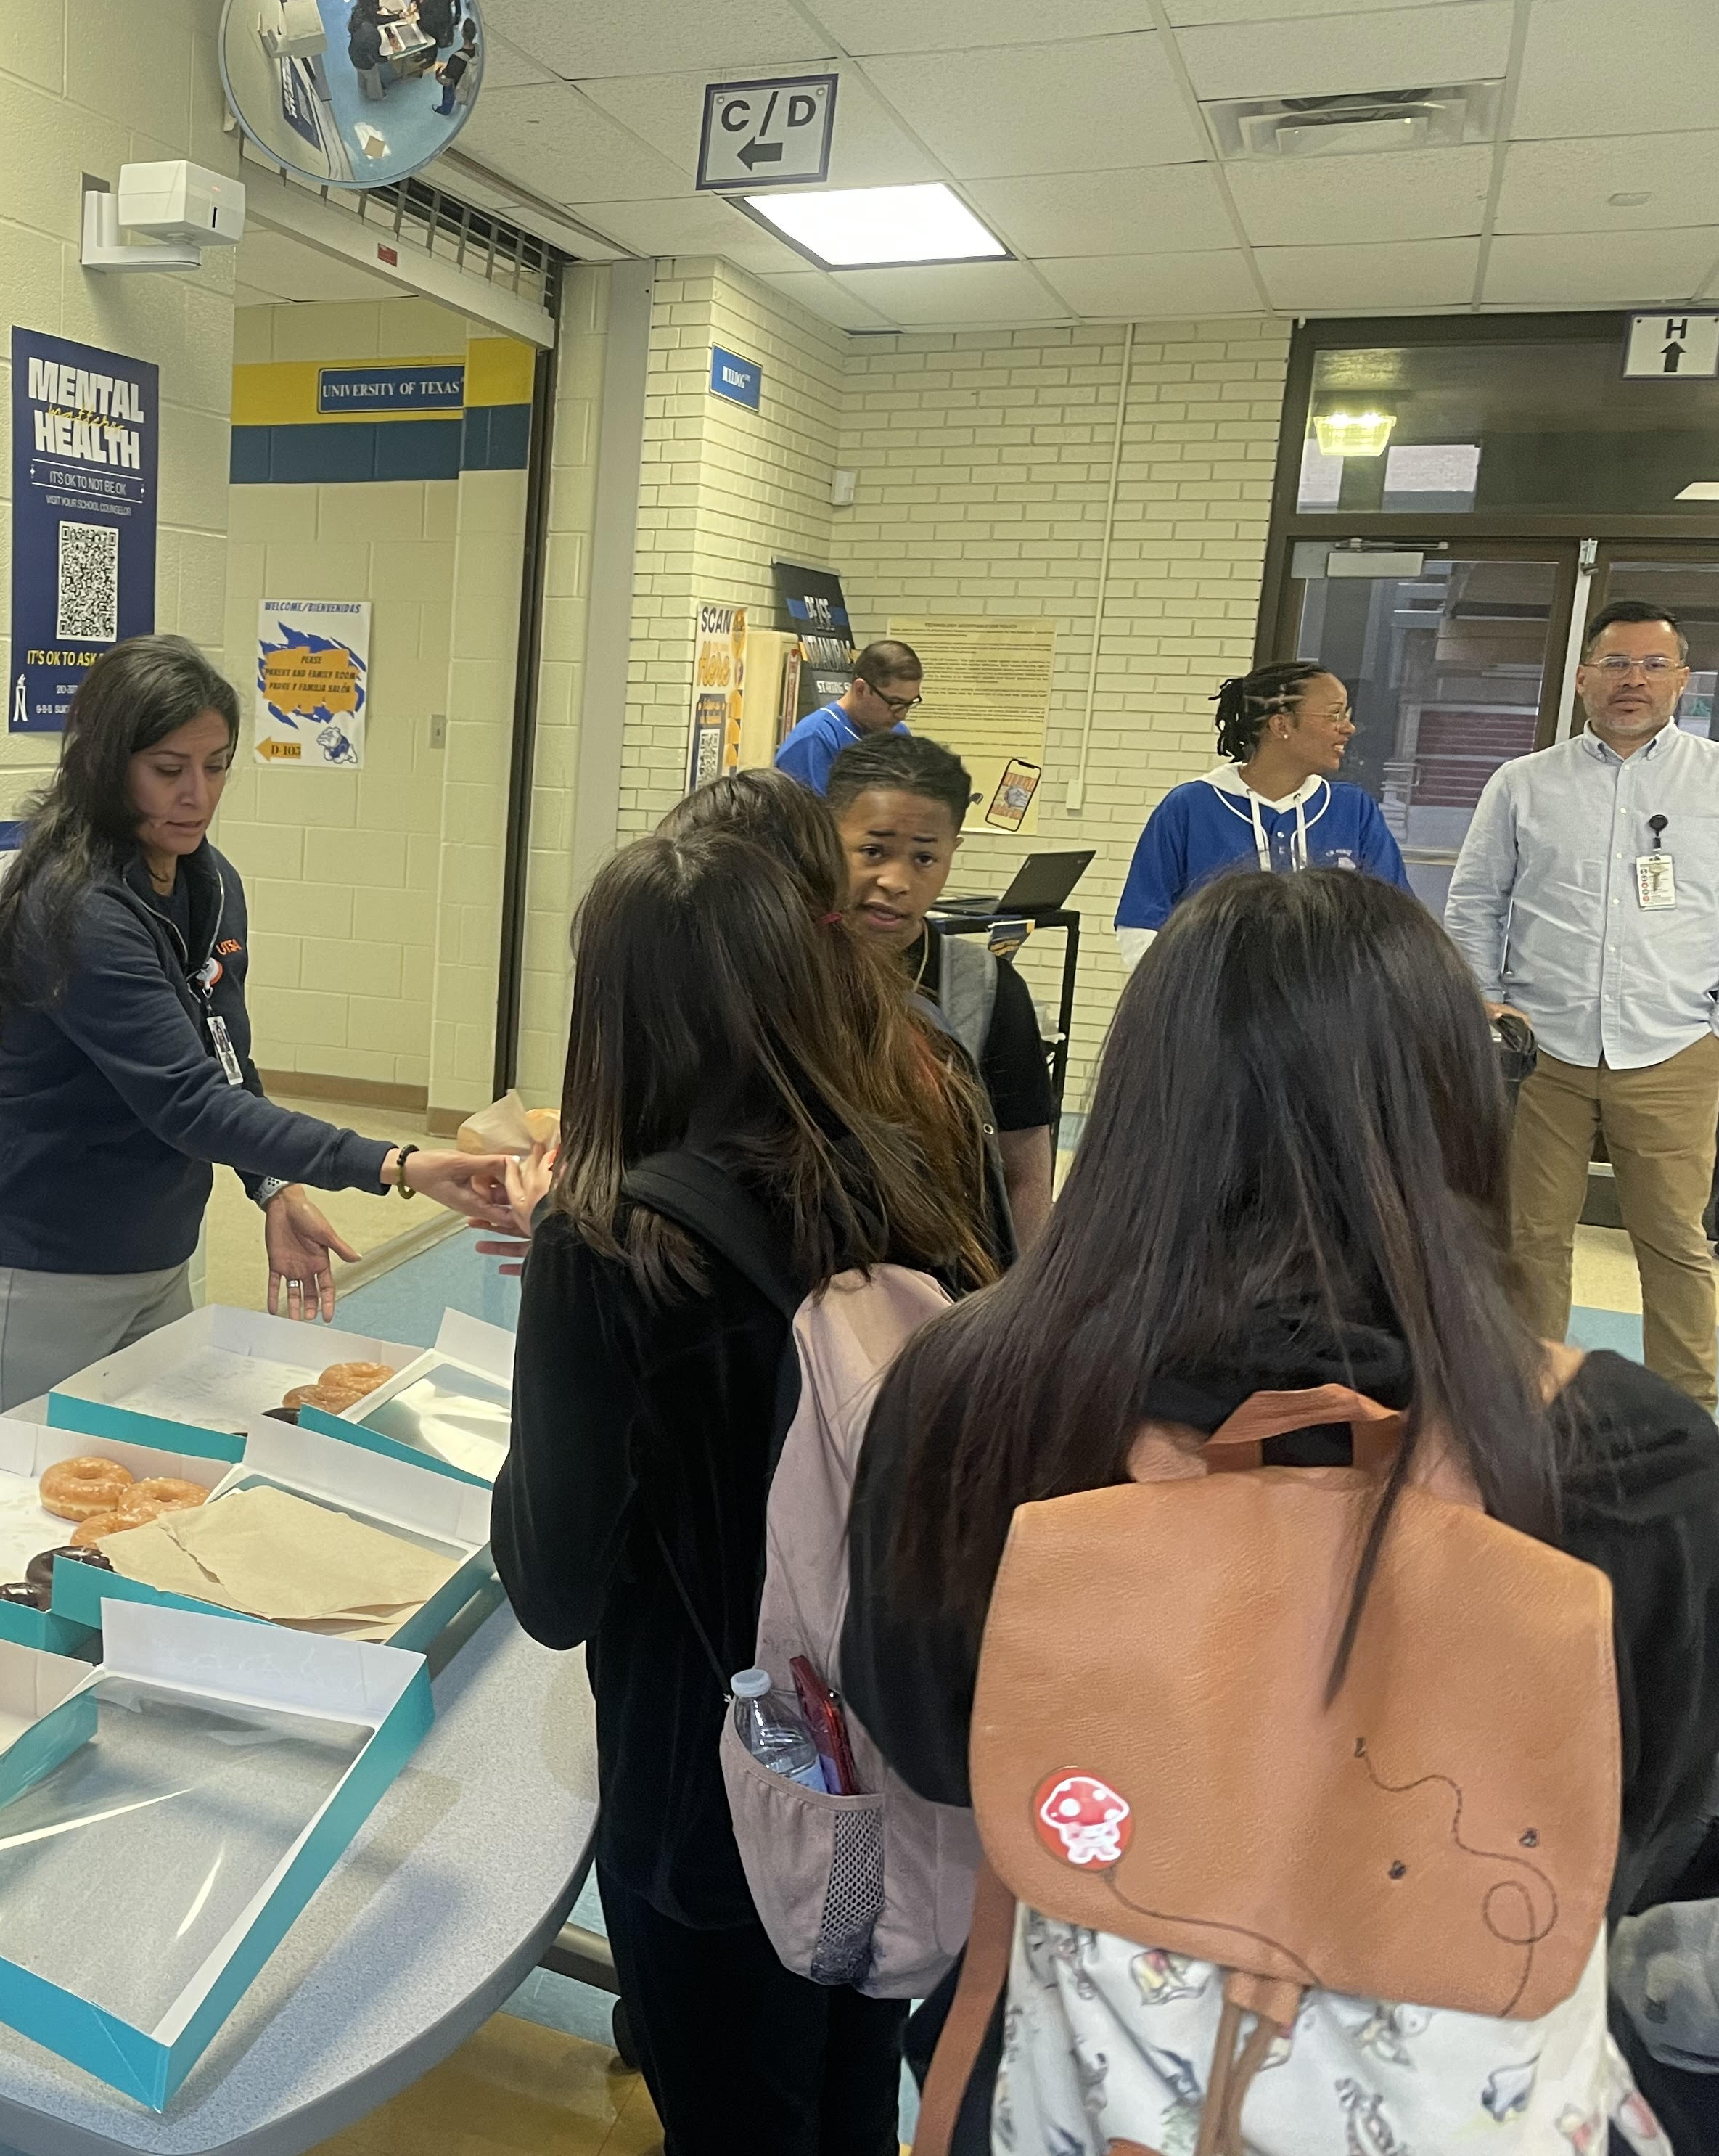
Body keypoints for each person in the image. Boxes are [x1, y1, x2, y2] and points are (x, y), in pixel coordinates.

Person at [840, 868, 1719, 2155]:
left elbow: (923, 1734)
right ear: (1454, 1108)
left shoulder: (978, 1390)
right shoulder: (1624, 1450)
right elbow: (1660, 1834)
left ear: (1140, 1099)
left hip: (1090, 2067)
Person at [494, 797, 997, 2156]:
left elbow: (549, 1580)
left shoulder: (610, 1238)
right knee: (842, 2079)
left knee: (729, 2108)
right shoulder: (902, 1165)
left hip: (712, 1788)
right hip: (879, 1743)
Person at [0, 634, 504, 1416]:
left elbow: (224, 1063)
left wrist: (272, 1186)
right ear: (108, 768)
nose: (199, 796)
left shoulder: (210, 883)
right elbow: (188, 1102)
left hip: (157, 1251)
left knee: (152, 1493)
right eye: (169, 771)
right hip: (47, 1262)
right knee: (28, 1491)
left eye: (216, 767)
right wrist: (397, 1163)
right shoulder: (79, 911)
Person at [1445, 599, 1719, 1410]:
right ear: (1582, 679)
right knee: (1528, 1240)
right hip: (1543, 1050)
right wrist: (1487, 1005)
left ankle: (1691, 1415)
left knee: (1675, 1241)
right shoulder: (1524, 784)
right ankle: (1525, 1404)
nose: (1633, 680)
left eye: (1652, 665)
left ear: (1683, 681)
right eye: (1616, 664)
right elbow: (1474, 904)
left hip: (1674, 1048)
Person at [825, 735, 1059, 1247]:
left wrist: (1015, 1302)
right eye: (873, 851)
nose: (896, 880)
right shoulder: (777, 965)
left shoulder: (987, 989)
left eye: (925, 859)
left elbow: (1025, 1169)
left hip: (941, 1280)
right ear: (826, 838)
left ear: (953, 852)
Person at [1112, 660, 1405, 965]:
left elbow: (1397, 919)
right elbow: (1141, 927)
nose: (1348, 728)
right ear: (1282, 725)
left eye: (1347, 715)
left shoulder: (1354, 810)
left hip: (1330, 1007)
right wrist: (1185, 1000)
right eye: (1334, 715)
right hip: (1214, 1007)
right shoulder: (1189, 808)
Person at [774, 638, 922, 795]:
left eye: (909, 703)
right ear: (860, 689)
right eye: (895, 702)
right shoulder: (814, 740)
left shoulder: (898, 733)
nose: (902, 715)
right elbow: (811, 817)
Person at [434, 15, 475, 117]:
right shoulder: (478, 51)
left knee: (449, 91)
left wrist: (438, 72)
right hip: (469, 80)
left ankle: (445, 110)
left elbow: (447, 79)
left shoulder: (457, 58)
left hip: (457, 83)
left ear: (462, 33)